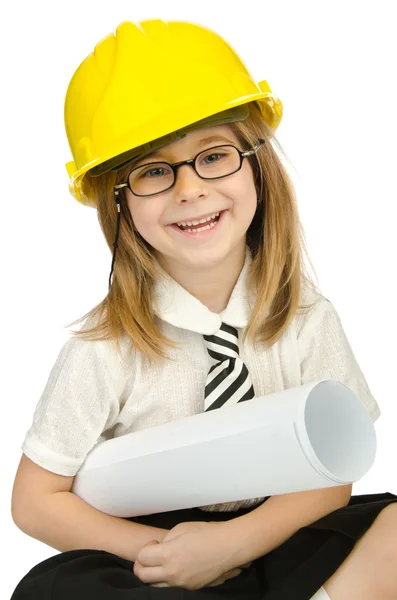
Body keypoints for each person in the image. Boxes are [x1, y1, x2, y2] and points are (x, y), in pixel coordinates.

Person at [10, 19, 397, 600]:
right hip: (151, 548)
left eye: (214, 156)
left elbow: (334, 474)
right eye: (154, 171)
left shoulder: (308, 318)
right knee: (55, 590)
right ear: (118, 204)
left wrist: (235, 543)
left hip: (272, 529)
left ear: (257, 168)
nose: (190, 188)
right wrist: (162, 553)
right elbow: (34, 502)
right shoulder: (102, 349)